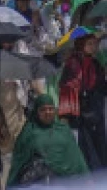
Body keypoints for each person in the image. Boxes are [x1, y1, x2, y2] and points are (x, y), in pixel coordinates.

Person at [7, 94, 89, 187]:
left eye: (51, 109)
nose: (47, 112)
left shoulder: (63, 130)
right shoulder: (29, 132)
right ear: (36, 112)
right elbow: (18, 161)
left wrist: (87, 178)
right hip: (38, 182)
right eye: (43, 110)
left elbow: (77, 156)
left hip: (66, 182)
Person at [58, 32, 107, 169]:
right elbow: (67, 87)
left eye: (94, 44)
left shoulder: (96, 63)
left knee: (99, 146)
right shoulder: (73, 63)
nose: (93, 47)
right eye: (89, 44)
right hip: (80, 112)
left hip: (96, 111)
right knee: (86, 149)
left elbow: (102, 87)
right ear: (81, 45)